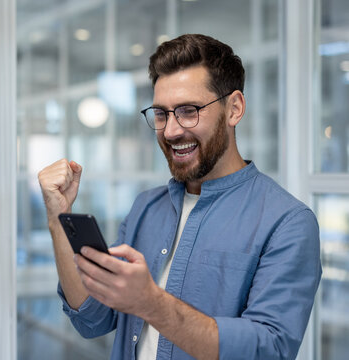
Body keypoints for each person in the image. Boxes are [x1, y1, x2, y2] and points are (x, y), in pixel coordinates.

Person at [37, 34, 322, 360]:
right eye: (161, 113)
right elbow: (93, 319)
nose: (171, 131)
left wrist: (150, 302)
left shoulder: (288, 223)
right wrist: (58, 218)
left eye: (189, 111)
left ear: (234, 108)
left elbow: (268, 349)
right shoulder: (147, 207)